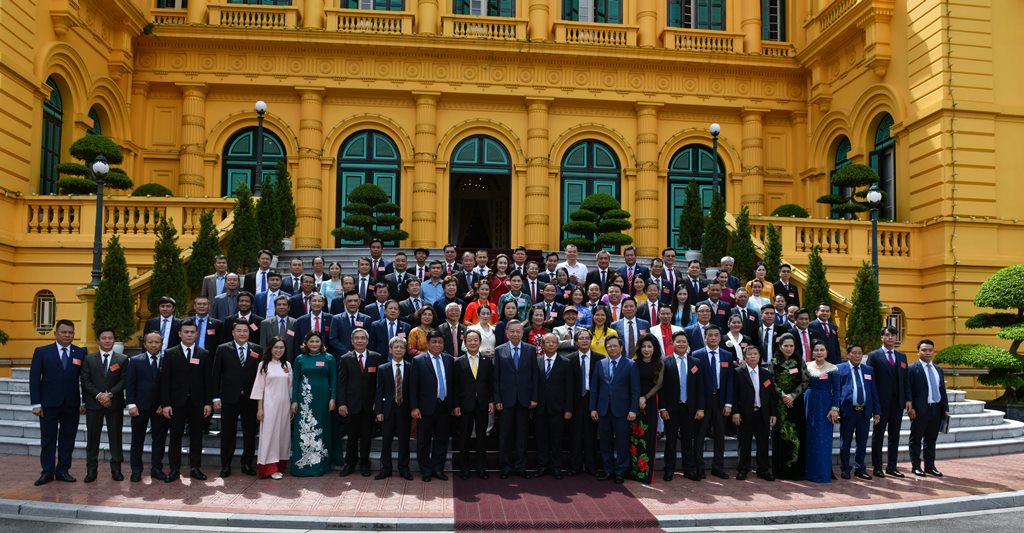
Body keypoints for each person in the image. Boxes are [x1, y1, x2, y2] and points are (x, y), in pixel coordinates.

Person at [161, 319, 212, 482]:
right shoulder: (170, 353)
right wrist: (166, 404)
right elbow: (165, 381)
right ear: (180, 334)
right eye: (186, 332)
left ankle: (195, 468)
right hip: (176, 403)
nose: (189, 335)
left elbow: (207, 381)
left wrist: (207, 403)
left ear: (197, 334)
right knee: (175, 437)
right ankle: (174, 469)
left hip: (197, 403)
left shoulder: (204, 354)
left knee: (196, 437)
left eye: (192, 332)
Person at [212, 321, 262, 477]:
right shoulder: (223, 349)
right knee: (228, 433)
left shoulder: (257, 349)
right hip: (229, 398)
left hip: (250, 399)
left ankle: (247, 464)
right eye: (239, 331)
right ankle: (225, 465)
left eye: (245, 331)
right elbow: (216, 375)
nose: (242, 333)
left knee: (249, 434)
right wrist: (215, 397)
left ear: (249, 333)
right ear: (233, 333)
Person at [410, 330, 459, 481]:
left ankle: (438, 469)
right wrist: (414, 407)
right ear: (428, 344)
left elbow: (453, 384)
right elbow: (413, 386)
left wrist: (455, 404)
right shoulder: (418, 360)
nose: (437, 345)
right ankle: (425, 470)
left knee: (441, 440)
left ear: (444, 344)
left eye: (440, 342)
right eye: (434, 342)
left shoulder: (449, 359)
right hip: (425, 408)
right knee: (423, 441)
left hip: (444, 406)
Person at [590, 336, 639, 484]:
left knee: (622, 443)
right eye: (609, 346)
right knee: (605, 442)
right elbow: (594, 389)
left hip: (622, 411)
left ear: (621, 347)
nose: (612, 348)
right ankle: (608, 470)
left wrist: (633, 409)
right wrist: (593, 408)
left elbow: (635, 390)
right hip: (603, 410)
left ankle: (620, 471)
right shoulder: (600, 364)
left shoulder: (630, 365)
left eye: (614, 346)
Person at [80, 327, 127, 483]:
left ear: (114, 340)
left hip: (114, 404)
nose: (107, 340)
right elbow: (85, 381)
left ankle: (116, 470)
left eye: (110, 338)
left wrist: (110, 394)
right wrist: (100, 395)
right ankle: (91, 471)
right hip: (94, 404)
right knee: (93, 439)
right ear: (98, 340)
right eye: (104, 338)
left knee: (115, 438)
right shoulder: (89, 359)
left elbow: (124, 380)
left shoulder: (122, 359)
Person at [493, 320, 539, 478]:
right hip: (505, 400)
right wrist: (497, 399)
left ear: (522, 332)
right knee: (505, 435)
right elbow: (496, 378)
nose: (515, 334)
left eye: (518, 331)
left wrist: (534, 398)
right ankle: (505, 467)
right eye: (512, 331)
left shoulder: (531, 350)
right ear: (506, 333)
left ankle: (520, 466)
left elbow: (534, 376)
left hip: (525, 400)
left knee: (522, 435)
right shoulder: (499, 351)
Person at [659, 331, 705, 481]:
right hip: (671, 409)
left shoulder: (696, 362)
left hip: (689, 408)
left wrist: (700, 408)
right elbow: (662, 388)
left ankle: (689, 469)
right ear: (672, 344)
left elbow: (700, 388)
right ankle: (669, 469)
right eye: (678, 342)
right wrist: (663, 408)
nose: (681, 344)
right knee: (671, 441)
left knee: (687, 440)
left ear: (688, 344)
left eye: (684, 342)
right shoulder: (665, 362)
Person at [336, 328, 383, 477]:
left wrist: (378, 405)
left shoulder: (377, 358)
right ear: (352, 341)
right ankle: (350, 464)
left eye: (363, 338)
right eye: (357, 338)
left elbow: (379, 385)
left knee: (366, 436)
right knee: (351, 437)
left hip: (369, 406)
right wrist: (341, 403)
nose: (360, 341)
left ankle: (364, 463)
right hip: (350, 405)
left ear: (367, 341)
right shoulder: (345, 358)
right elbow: (341, 383)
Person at [867, 326, 911, 478]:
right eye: (887, 335)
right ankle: (877, 467)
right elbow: (870, 382)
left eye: (893, 335)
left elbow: (905, 380)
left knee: (895, 436)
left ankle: (892, 466)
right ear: (882, 337)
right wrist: (874, 404)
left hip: (897, 403)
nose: (890, 337)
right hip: (881, 404)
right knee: (878, 436)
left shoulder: (902, 357)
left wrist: (908, 399)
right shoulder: (874, 356)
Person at [692, 325, 734, 480]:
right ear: (705, 337)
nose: (713, 338)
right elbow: (695, 383)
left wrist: (729, 403)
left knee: (720, 435)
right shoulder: (697, 355)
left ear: (720, 337)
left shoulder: (727, 356)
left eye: (716, 335)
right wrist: (699, 406)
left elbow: (730, 380)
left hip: (721, 401)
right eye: (710, 335)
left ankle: (718, 467)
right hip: (703, 402)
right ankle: (699, 467)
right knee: (700, 436)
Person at [126, 332, 169, 482]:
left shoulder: (167, 361)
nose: (153, 345)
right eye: (150, 342)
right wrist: (131, 404)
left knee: (159, 440)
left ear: (161, 344)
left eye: (157, 342)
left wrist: (164, 404)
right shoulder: (135, 361)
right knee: (137, 440)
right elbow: (130, 384)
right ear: (144, 344)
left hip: (159, 408)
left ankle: (156, 469)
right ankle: (136, 470)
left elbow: (169, 385)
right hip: (140, 407)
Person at [732, 345, 777, 481]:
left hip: (762, 413)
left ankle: (763, 469)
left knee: (763, 443)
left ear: (759, 356)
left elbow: (771, 395)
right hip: (745, 414)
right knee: (744, 443)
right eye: (749, 354)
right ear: (745, 357)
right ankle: (742, 469)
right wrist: (735, 412)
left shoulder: (766, 373)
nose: (752, 356)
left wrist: (773, 413)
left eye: (755, 354)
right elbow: (734, 394)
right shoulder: (738, 372)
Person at [454, 330, 494, 479]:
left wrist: (491, 401)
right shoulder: (459, 362)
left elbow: (491, 383)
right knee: (464, 436)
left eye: (475, 340)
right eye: (469, 340)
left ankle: (481, 467)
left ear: (480, 342)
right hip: (465, 404)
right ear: (465, 343)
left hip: (482, 404)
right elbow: (455, 386)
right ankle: (464, 468)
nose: (472, 343)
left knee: (481, 436)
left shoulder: (487, 360)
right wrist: (456, 404)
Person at [837, 344, 881, 480]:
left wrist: (877, 411)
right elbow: (837, 391)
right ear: (848, 354)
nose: (857, 356)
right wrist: (836, 408)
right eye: (854, 353)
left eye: (860, 353)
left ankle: (860, 468)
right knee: (846, 443)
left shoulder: (868, 370)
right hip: (847, 412)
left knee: (862, 443)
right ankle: (845, 468)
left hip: (864, 413)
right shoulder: (839, 368)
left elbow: (873, 392)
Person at [251, 337, 293, 479]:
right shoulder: (264, 365)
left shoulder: (287, 365)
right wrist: (260, 408)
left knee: (283, 436)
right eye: (276, 347)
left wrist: (292, 404)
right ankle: (269, 468)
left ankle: (280, 465)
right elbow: (259, 388)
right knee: (270, 436)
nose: (278, 350)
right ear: (270, 348)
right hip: (269, 406)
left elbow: (290, 387)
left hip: (285, 406)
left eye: (281, 348)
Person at [374, 336, 415, 480]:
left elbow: (413, 390)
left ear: (405, 350)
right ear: (390, 350)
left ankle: (404, 468)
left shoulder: (411, 367)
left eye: (401, 347)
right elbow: (379, 390)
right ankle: (386, 468)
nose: (398, 349)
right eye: (395, 347)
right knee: (386, 441)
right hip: (388, 410)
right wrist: (378, 411)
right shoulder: (383, 368)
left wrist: (414, 407)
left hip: (404, 409)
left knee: (404, 440)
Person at [908, 339, 949, 477]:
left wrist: (945, 409)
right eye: (924, 350)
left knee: (931, 440)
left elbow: (942, 390)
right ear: (918, 352)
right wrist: (910, 408)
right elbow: (908, 390)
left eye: (930, 350)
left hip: (936, 410)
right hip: (920, 410)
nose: (927, 353)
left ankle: (930, 466)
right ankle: (916, 466)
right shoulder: (912, 369)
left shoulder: (938, 369)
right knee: (916, 439)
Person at [534, 333, 573, 479]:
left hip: (559, 408)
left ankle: (556, 467)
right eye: (547, 342)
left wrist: (568, 409)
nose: (550, 344)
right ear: (542, 345)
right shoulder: (536, 361)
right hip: (540, 407)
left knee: (557, 438)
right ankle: (543, 465)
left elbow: (569, 388)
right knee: (541, 438)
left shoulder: (566, 362)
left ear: (558, 345)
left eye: (553, 342)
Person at [771, 333, 808, 481]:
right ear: (780, 347)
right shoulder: (774, 362)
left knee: (797, 435)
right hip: (780, 405)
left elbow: (805, 381)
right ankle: (781, 471)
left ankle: (796, 471)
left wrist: (792, 396)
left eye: (791, 346)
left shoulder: (800, 362)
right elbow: (771, 382)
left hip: (796, 403)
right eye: (785, 346)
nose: (788, 348)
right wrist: (784, 395)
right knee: (781, 436)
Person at [804, 339, 840, 483]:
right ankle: (808, 472)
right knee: (809, 436)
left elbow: (837, 390)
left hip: (825, 404)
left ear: (827, 352)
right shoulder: (806, 366)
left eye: (822, 350)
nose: (819, 353)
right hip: (809, 402)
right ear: (812, 352)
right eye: (816, 350)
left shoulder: (833, 369)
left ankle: (822, 473)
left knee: (822, 438)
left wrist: (834, 408)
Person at [630, 333, 663, 484]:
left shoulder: (659, 364)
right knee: (634, 438)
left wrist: (645, 398)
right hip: (633, 404)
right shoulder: (633, 363)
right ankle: (633, 472)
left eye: (649, 346)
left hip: (649, 404)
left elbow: (659, 385)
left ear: (654, 348)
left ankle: (645, 474)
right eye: (643, 346)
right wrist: (637, 398)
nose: (646, 349)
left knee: (648, 438)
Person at [329, 290, 373, 357]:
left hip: (361, 356)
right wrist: (347, 353)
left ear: (359, 302)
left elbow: (370, 339)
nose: (353, 303)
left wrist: (359, 352)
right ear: (344, 302)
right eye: (349, 301)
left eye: (355, 301)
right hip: (342, 357)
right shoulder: (336, 319)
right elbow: (333, 339)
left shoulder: (367, 319)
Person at [261, 295, 298, 362]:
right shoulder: (265, 323)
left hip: (289, 361)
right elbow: (263, 345)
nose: (281, 307)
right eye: (279, 305)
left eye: (284, 305)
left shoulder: (295, 323)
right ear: (275, 307)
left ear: (289, 307)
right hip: (270, 362)